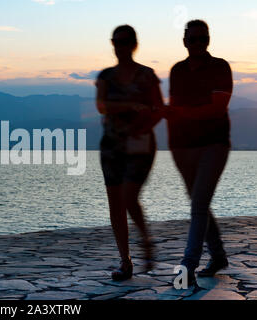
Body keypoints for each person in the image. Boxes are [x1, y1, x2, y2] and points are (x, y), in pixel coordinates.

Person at [165, 19, 233, 286]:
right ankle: (218, 256)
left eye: (203, 39)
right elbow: (173, 109)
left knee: (198, 205)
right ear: (185, 41)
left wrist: (181, 113)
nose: (198, 44)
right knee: (199, 203)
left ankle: (187, 265)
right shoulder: (177, 71)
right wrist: (173, 144)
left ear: (209, 40)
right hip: (182, 147)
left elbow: (217, 108)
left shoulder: (220, 67)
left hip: (213, 144)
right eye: (193, 39)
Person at [95, 25, 164, 281]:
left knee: (128, 195)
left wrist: (141, 126)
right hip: (112, 145)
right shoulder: (106, 76)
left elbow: (159, 109)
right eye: (116, 41)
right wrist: (129, 105)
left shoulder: (147, 75)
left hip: (140, 143)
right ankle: (125, 261)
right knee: (115, 204)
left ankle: (145, 239)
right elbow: (101, 106)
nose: (119, 46)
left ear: (134, 44)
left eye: (125, 41)